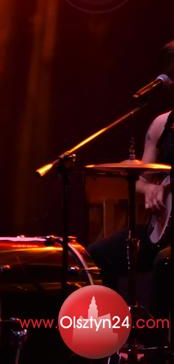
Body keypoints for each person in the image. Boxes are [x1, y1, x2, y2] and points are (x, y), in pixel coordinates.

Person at [88, 40, 174, 324]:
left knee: (166, 261)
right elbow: (138, 179)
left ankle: (157, 339)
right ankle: (112, 331)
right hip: (159, 231)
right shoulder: (162, 124)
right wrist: (150, 188)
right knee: (97, 256)